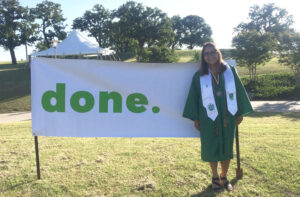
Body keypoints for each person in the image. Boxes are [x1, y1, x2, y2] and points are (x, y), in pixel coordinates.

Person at [182, 42, 253, 192]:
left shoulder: (229, 71)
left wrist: (239, 112)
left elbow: (239, 92)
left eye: (212, 51)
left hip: (228, 116)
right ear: (203, 57)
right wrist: (196, 118)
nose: (210, 55)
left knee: (226, 146)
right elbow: (193, 98)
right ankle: (214, 177)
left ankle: (224, 177)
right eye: (206, 53)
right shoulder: (199, 76)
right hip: (208, 117)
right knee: (211, 146)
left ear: (218, 52)